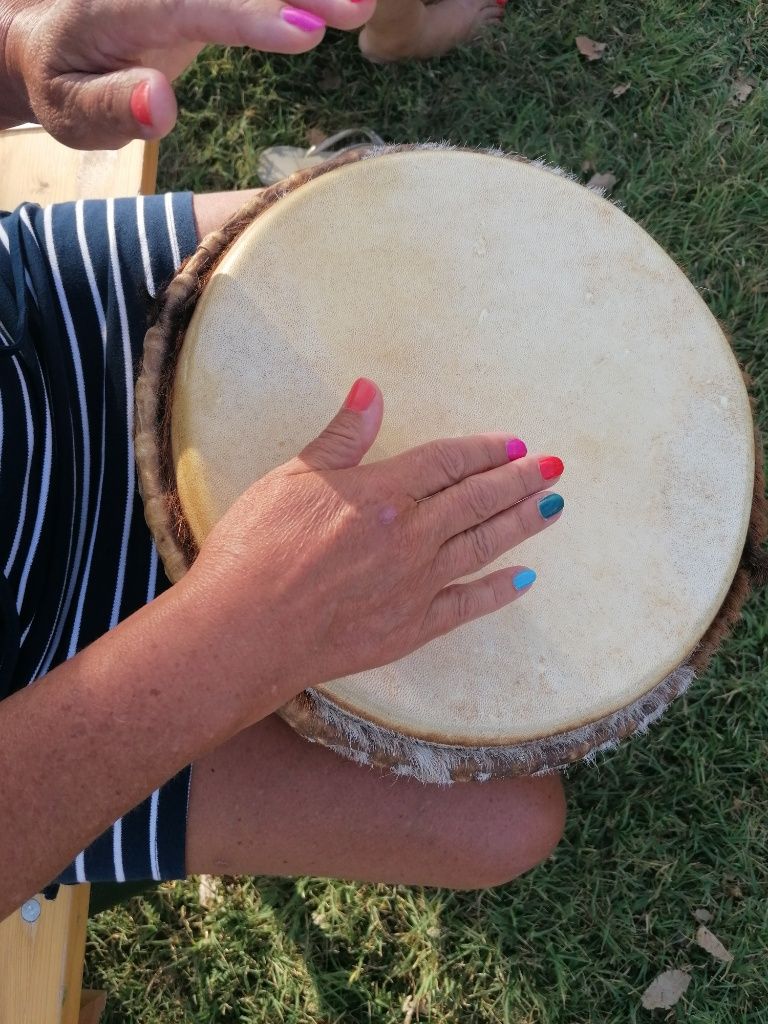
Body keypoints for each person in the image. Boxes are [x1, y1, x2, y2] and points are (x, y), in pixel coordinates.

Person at [0, 1, 566, 922]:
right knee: (507, 824)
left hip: (31, 330)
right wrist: (245, 634)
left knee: (404, 216)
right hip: (38, 678)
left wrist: (20, 55)